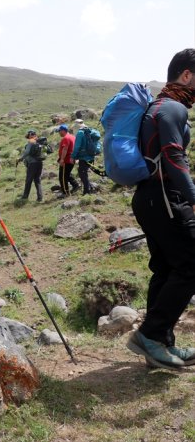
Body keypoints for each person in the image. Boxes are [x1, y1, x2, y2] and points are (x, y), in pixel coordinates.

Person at [126, 48, 195, 369]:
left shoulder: (156, 106)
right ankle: (150, 335)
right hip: (166, 197)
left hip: (149, 197)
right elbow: (172, 154)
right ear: (186, 76)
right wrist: (192, 197)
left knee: (167, 269)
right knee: (191, 265)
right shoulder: (172, 109)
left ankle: (161, 343)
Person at [17, 130, 44, 202]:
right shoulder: (39, 141)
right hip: (40, 163)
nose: (28, 138)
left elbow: (27, 152)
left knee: (28, 180)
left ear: (30, 135)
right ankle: (40, 198)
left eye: (28, 136)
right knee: (37, 180)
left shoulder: (31, 141)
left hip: (32, 164)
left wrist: (21, 158)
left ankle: (25, 197)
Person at [71, 120, 95, 195]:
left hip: (84, 157)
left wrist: (73, 156)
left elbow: (77, 146)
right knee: (84, 173)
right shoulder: (89, 131)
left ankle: (86, 191)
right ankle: (90, 187)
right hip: (91, 155)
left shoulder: (80, 133)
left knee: (82, 174)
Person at [57, 124, 80, 196]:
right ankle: (76, 185)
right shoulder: (73, 137)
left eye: (59, 131)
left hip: (66, 160)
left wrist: (62, 159)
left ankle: (65, 193)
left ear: (63, 130)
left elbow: (65, 148)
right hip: (71, 159)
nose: (59, 133)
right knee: (67, 174)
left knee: (62, 177)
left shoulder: (66, 138)